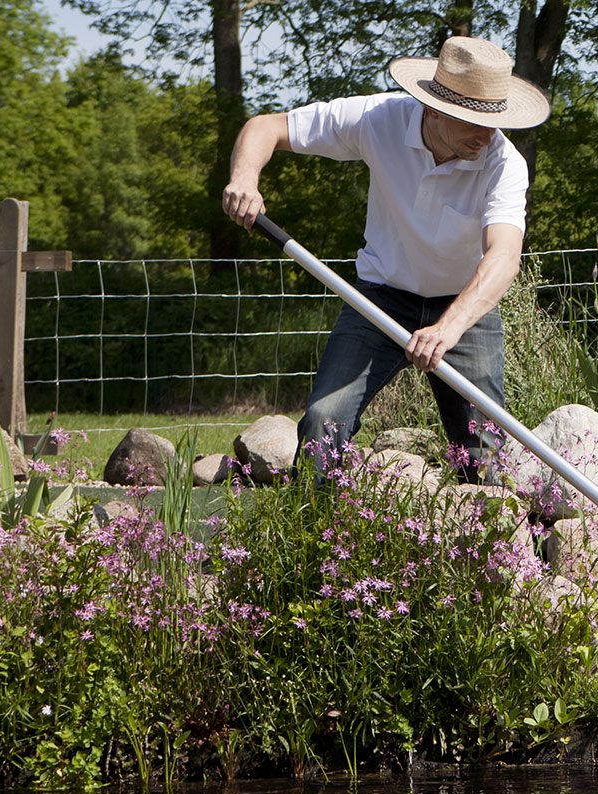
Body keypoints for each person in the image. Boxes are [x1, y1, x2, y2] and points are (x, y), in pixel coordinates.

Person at [220, 36, 548, 482]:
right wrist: (245, 178)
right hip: (379, 301)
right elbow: (266, 127)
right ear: (433, 108)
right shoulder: (379, 119)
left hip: (463, 309)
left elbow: (505, 256)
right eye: (474, 120)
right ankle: (315, 542)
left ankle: (489, 551)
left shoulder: (503, 164)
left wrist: (447, 329)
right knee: (322, 422)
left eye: (494, 119)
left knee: (484, 454)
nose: (487, 133)